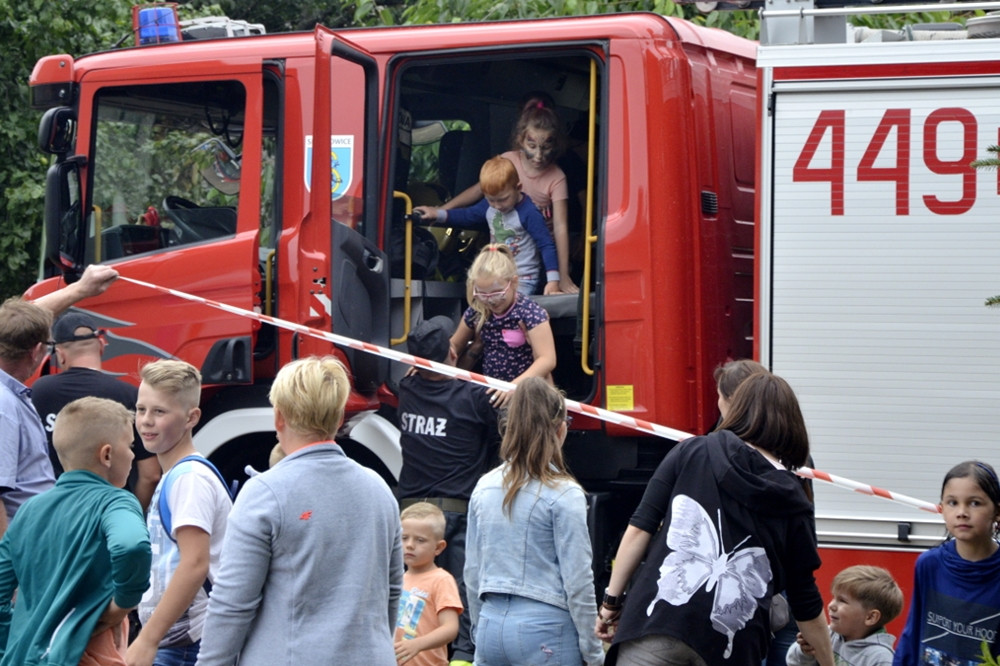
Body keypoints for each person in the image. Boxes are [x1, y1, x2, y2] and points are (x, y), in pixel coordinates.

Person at [595, 372, 835, 666]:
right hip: (730, 644)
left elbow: (640, 527)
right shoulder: (794, 497)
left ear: (737, 409)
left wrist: (611, 602)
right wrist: (827, 661)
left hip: (657, 623)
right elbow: (804, 596)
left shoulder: (691, 451)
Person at [196, 356, 403, 665]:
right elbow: (392, 590)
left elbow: (232, 604)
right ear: (337, 419)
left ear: (279, 417)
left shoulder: (265, 493)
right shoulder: (379, 489)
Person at [0, 396, 151, 666]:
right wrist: (123, 603)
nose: (132, 454)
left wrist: (9, 646)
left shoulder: (28, 510)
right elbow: (132, 545)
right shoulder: (116, 501)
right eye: (129, 446)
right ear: (107, 454)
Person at [465, 377, 603, 666]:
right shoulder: (565, 493)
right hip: (546, 631)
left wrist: (480, 631)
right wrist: (593, 652)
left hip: (491, 625)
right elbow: (578, 582)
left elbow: (473, 571)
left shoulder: (484, 486)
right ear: (560, 428)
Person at [397, 315, 501, 664]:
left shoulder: (407, 389)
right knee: (461, 594)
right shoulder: (477, 397)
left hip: (410, 515)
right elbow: (498, 439)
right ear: (452, 355)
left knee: (412, 597)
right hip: (455, 514)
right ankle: (461, 658)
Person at [0, 264, 118, 536]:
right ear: (36, 352)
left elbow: (18, 324)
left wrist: (80, 289)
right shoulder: (4, 406)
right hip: (23, 546)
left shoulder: (12, 394)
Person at [128, 360, 232, 666]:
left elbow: (195, 563)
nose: (146, 421)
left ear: (192, 417)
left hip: (186, 646)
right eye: (141, 409)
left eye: (159, 412)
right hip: (174, 642)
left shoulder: (189, 479)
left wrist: (148, 640)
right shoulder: (177, 475)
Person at [440, 93, 579, 294]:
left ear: (556, 144)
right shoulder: (508, 161)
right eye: (532, 146)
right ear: (520, 140)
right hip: (506, 251)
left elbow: (560, 227)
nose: (539, 156)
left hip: (540, 251)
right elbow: (480, 189)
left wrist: (563, 275)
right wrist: (444, 210)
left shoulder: (556, 177)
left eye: (546, 146)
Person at [31, 311, 161, 511]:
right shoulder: (129, 395)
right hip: (109, 513)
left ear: (61, 355)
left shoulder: (40, 392)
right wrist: (133, 513)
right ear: (101, 346)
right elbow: (151, 475)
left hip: (57, 511)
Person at [892, 460, 1000, 665]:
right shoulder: (929, 565)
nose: (962, 512)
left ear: (997, 511)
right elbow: (912, 633)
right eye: (953, 502)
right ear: (941, 508)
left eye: (975, 503)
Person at [414, 156, 562, 296]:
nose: (497, 206)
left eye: (503, 199)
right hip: (497, 275)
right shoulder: (489, 206)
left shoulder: (529, 212)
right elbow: (467, 216)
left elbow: (546, 245)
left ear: (518, 188)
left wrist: (553, 281)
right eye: (491, 200)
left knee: (511, 312)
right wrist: (436, 214)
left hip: (522, 278)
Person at [449, 244, 556, 408]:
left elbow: (547, 359)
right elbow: (454, 346)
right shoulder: (478, 310)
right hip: (493, 394)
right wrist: (429, 364)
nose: (491, 300)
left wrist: (513, 387)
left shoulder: (530, 312)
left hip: (527, 396)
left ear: (513, 282)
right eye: (482, 294)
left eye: (497, 293)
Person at [786, 565, 902, 666]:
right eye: (834, 597)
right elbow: (793, 662)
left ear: (870, 617)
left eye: (842, 601)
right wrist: (806, 653)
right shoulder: (829, 634)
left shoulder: (881, 659)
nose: (831, 605)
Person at [395, 502, 463, 666]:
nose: (410, 545)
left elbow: (450, 628)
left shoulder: (441, 580)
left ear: (439, 547)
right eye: (404, 538)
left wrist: (417, 644)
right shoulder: (397, 579)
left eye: (420, 540)